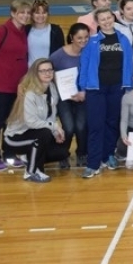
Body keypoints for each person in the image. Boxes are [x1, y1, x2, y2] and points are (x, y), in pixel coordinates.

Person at [79, 7, 133, 178]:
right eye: (102, 19)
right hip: (96, 89)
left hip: (117, 88)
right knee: (96, 125)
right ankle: (93, 164)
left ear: (113, 18)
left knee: (112, 123)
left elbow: (129, 64)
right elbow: (84, 65)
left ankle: (108, 155)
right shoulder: (92, 42)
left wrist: (129, 86)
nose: (106, 21)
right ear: (97, 22)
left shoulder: (123, 39)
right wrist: (82, 87)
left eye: (108, 18)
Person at [0, 0, 31, 170]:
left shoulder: (24, 32)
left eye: (27, 13)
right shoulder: (0, 32)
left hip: (16, 86)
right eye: (21, 12)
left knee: (12, 122)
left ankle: (9, 153)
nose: (25, 16)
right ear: (13, 13)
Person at [3, 59, 68, 183]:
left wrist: (55, 131)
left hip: (34, 133)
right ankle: (30, 172)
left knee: (61, 152)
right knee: (43, 134)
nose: (47, 73)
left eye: (50, 70)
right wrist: (54, 126)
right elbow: (31, 122)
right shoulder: (30, 93)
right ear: (35, 73)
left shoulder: (52, 87)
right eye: (42, 71)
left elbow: (51, 115)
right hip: (15, 138)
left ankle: (29, 157)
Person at [49, 23, 90, 168]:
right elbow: (49, 72)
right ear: (72, 37)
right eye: (79, 38)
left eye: (86, 37)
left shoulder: (89, 53)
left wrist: (84, 92)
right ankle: (62, 154)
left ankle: (82, 153)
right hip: (64, 98)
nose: (83, 40)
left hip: (83, 96)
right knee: (69, 127)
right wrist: (58, 85)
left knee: (81, 126)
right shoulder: (58, 55)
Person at [26, 0, 64, 64]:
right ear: (32, 14)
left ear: (47, 14)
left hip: (48, 69)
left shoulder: (56, 31)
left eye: (44, 13)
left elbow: (61, 54)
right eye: (37, 13)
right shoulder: (25, 30)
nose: (41, 16)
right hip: (30, 69)